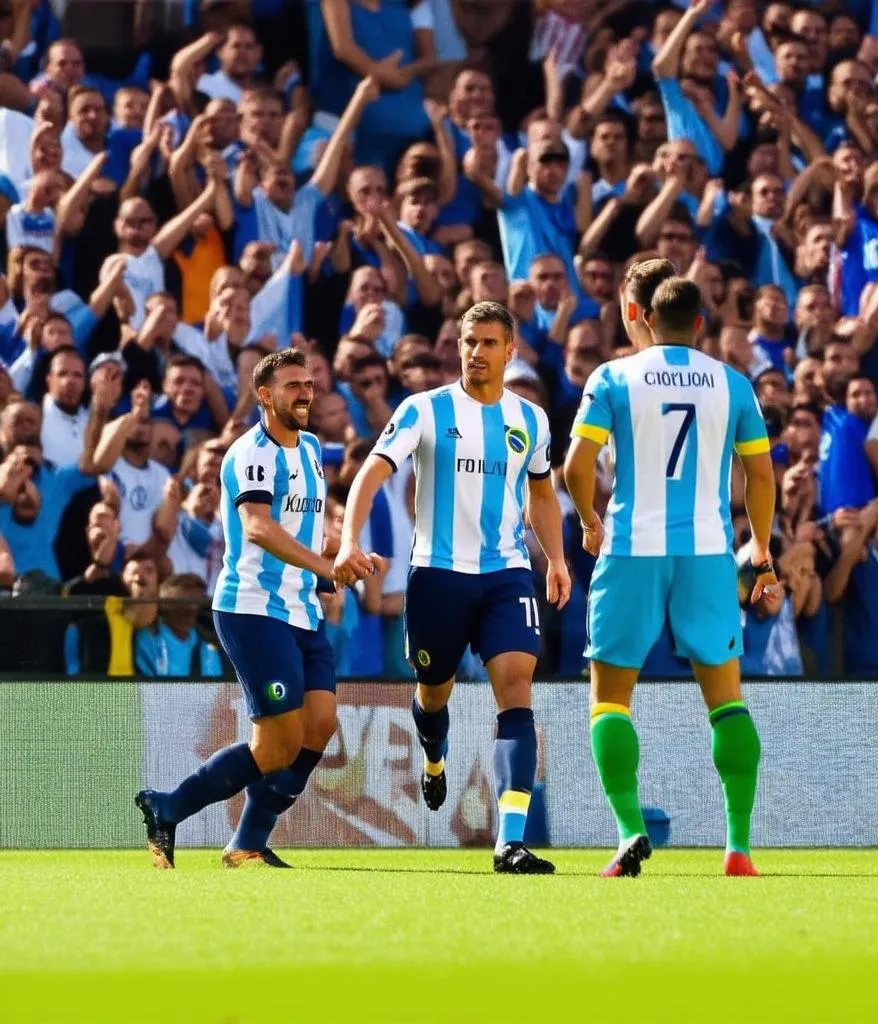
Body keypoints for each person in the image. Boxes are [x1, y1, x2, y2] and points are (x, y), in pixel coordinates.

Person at [335, 301, 572, 874]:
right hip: (437, 576)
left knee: (517, 690)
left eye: (490, 342)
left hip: (506, 573)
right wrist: (347, 540)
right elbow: (371, 471)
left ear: (510, 350)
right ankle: (434, 756)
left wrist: (557, 559)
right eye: (470, 341)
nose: (478, 352)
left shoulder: (531, 420)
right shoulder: (425, 410)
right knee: (433, 692)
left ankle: (509, 839)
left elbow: (542, 494)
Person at [563, 271, 778, 879]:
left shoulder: (613, 377)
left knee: (609, 701)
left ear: (646, 319)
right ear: (701, 324)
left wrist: (589, 520)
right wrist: (759, 550)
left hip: (632, 547)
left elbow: (577, 463)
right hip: (709, 553)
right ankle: (737, 847)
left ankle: (630, 830)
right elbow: (761, 478)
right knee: (726, 701)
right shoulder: (732, 384)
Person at [134, 349, 364, 870]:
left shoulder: (310, 449)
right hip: (253, 609)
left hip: (301, 608)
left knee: (320, 725)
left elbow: (303, 525)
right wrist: (327, 568)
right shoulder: (252, 452)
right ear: (265, 395)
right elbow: (258, 527)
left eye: (309, 384)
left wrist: (338, 558)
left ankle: (246, 842)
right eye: (292, 386)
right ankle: (169, 807)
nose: (305, 393)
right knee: (279, 742)